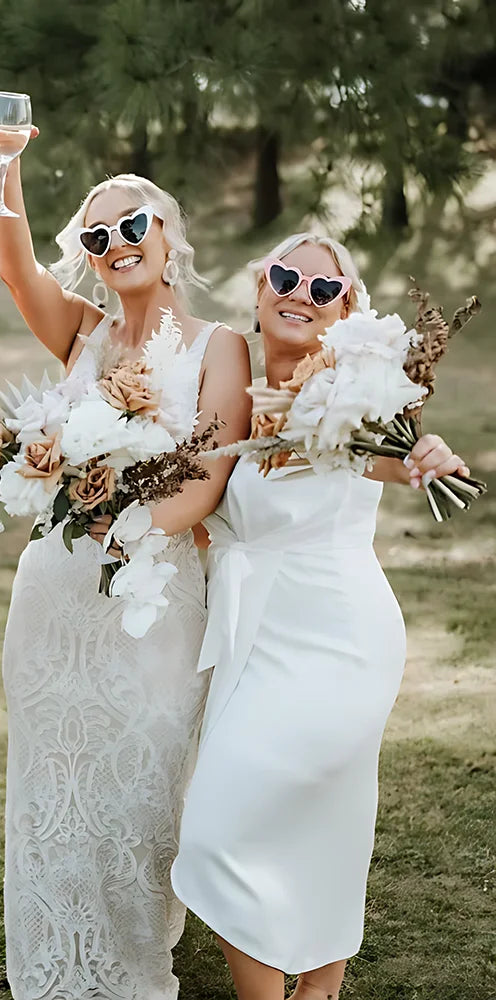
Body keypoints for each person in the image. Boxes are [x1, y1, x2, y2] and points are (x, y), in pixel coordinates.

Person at [0, 115, 252, 999]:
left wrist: (124, 533)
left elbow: (206, 481)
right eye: (97, 235)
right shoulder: (84, 336)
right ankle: (55, 970)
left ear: (169, 237)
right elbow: (15, 269)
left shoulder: (222, 347)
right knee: (56, 786)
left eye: (133, 225)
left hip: (155, 596)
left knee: (141, 786)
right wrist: (4, 177)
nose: (116, 243)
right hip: (58, 596)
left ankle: (134, 967)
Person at [170, 232, 472, 1000]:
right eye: (284, 275)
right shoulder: (228, 388)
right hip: (255, 638)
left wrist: (422, 455)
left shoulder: (356, 390)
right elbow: (208, 508)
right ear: (259, 290)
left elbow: (387, 455)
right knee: (224, 830)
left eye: (322, 285)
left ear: (345, 310)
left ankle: (321, 985)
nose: (300, 290)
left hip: (340, 639)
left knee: (302, 818)